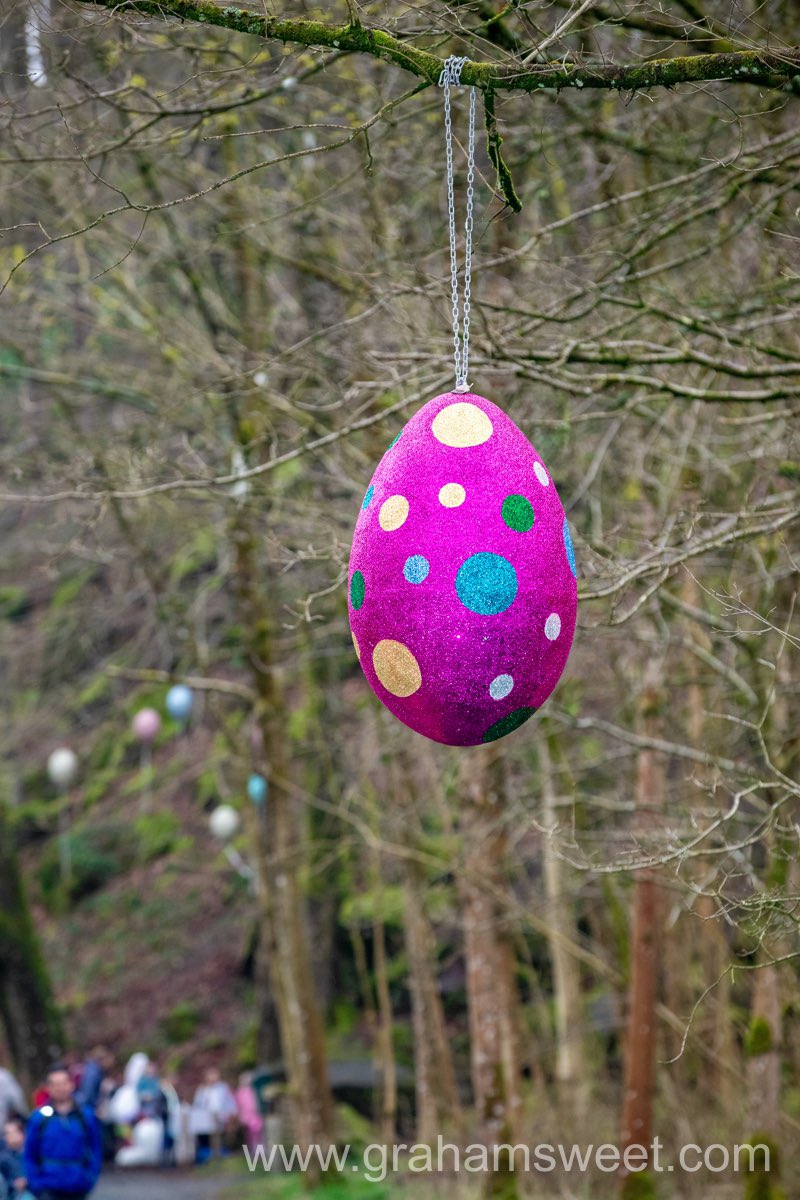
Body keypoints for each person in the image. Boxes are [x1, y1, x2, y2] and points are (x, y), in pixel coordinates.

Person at [23, 1064, 102, 1200]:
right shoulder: (39, 1118)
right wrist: (35, 1182)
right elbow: (29, 1152)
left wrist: (89, 1177)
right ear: (48, 1088)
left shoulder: (84, 1116)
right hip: (47, 1185)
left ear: (71, 1085)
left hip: (78, 1184)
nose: (60, 1088)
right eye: (55, 1084)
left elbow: (95, 1148)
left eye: (63, 1083)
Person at [189, 1069, 237, 1164]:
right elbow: (198, 1103)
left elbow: (229, 1101)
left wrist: (232, 1113)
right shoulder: (203, 1089)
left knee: (218, 1136)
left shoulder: (223, 1087)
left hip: (220, 1116)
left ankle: (218, 1155)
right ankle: (208, 1157)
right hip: (205, 1117)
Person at [0, 1116, 34, 1199]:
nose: (10, 1136)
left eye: (13, 1132)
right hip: (16, 1195)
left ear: (22, 1133)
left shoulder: (34, 1153)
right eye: (7, 1133)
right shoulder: (3, 1159)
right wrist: (14, 1184)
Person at [234, 1073, 262, 1156]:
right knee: (249, 1134)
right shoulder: (240, 1092)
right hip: (246, 1116)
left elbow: (255, 1103)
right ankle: (252, 1150)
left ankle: (259, 1149)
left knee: (257, 1132)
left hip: (254, 1115)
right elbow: (238, 1105)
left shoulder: (252, 1090)